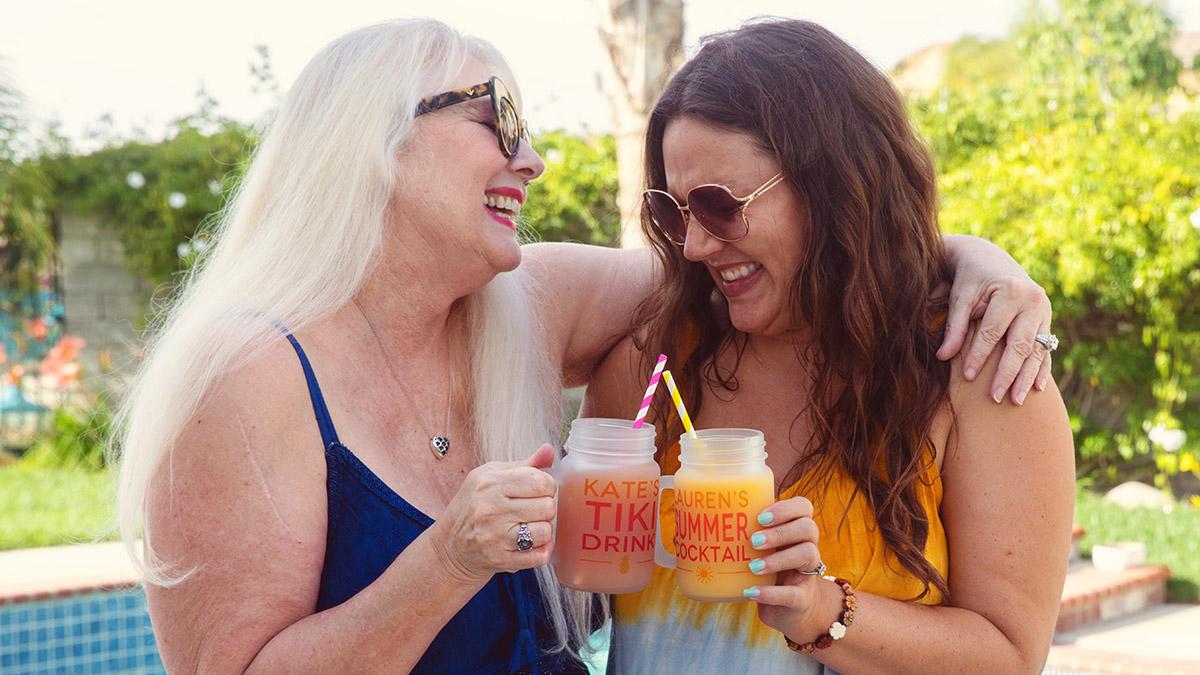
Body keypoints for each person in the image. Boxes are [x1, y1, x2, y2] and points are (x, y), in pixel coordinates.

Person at [111, 18, 1055, 673]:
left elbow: (820, 269)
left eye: (719, 206)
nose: (533, 158)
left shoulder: (521, 304)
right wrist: (449, 560)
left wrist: (974, 260)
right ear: (375, 141)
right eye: (497, 121)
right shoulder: (247, 373)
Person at [582, 18, 1074, 675]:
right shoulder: (654, 364)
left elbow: (1009, 655)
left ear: (837, 186)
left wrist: (824, 612)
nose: (696, 245)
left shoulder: (980, 373)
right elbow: (581, 602)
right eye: (675, 213)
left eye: (720, 205)